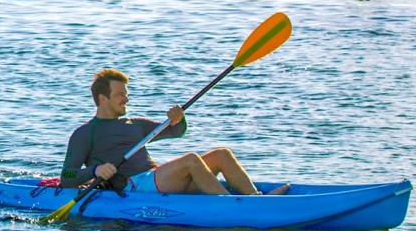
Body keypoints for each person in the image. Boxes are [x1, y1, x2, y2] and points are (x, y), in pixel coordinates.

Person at [60, 68, 286, 196]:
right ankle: (231, 207)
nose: (126, 98)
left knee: (222, 154)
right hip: (134, 185)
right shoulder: (85, 134)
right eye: (120, 94)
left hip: (158, 177)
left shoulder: (135, 124)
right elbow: (67, 176)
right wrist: (96, 170)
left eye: (126, 93)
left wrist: (179, 117)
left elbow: (177, 131)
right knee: (190, 160)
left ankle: (255, 200)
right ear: (102, 98)